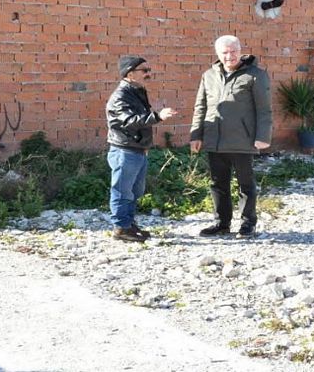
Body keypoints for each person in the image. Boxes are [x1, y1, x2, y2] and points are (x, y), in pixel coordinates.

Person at [190, 35, 272, 239]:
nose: (229, 56)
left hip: (242, 139)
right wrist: (196, 134)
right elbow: (201, 106)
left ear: (240, 50)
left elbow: (264, 109)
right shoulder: (208, 75)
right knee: (218, 184)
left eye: (233, 51)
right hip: (214, 139)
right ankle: (222, 223)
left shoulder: (255, 75)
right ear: (218, 54)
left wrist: (263, 136)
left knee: (245, 184)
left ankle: (247, 224)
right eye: (224, 52)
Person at [106, 55, 177, 242]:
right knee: (122, 190)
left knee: (134, 191)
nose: (148, 74)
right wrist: (158, 117)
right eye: (144, 71)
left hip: (137, 150)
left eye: (149, 70)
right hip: (124, 150)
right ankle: (121, 228)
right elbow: (129, 121)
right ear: (130, 74)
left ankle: (128, 224)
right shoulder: (120, 96)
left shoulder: (136, 91)